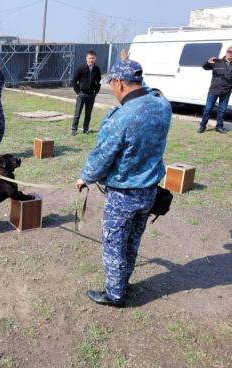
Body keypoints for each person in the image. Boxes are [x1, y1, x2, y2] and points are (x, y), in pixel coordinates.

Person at [75, 59, 172, 307]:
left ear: (119, 82)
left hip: (123, 195)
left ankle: (115, 294)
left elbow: (102, 155)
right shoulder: (162, 104)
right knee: (132, 241)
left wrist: (85, 178)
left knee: (115, 244)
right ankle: (123, 282)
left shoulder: (123, 117)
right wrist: (132, 69)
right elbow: (146, 88)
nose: (113, 91)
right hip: (148, 192)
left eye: (112, 85)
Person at [197, 46, 232, 134]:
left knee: (222, 109)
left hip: (226, 91)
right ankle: (202, 126)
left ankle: (219, 127)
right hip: (214, 89)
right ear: (226, 52)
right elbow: (204, 67)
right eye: (228, 51)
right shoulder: (218, 62)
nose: (229, 53)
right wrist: (207, 62)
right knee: (208, 108)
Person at [70, 50, 102, 135]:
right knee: (78, 113)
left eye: (93, 58)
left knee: (88, 114)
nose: (91, 60)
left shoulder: (97, 69)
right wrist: (78, 92)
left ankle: (86, 129)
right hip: (82, 94)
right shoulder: (81, 68)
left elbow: (98, 81)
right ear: (86, 58)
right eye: (89, 58)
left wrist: (96, 91)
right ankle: (74, 129)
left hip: (91, 95)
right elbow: (74, 81)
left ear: (95, 58)